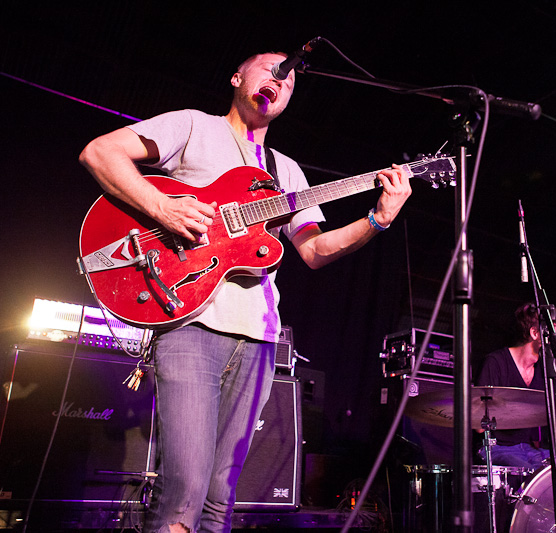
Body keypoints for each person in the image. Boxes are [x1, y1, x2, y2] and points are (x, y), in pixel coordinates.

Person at [79, 52, 412, 533]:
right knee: (184, 492)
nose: (280, 80)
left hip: (259, 342)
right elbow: (99, 152)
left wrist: (378, 218)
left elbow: (315, 251)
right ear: (237, 77)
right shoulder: (193, 126)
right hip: (190, 323)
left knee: (220, 499)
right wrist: (163, 208)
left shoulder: (287, 171)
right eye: (271, 69)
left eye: (290, 80)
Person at [475, 303, 556, 470]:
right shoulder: (495, 363)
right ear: (534, 333)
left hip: (531, 449)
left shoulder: (545, 370)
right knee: (535, 476)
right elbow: (478, 425)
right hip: (496, 448)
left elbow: (555, 410)